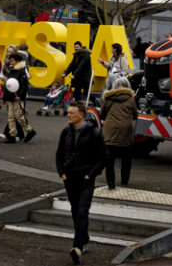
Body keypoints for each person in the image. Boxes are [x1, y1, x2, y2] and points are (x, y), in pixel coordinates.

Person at [55, 101, 107, 264]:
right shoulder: (66, 132)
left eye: (72, 113)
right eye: (68, 112)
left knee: (83, 210)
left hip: (85, 179)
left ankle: (77, 247)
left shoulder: (94, 133)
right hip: (69, 178)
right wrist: (62, 173)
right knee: (75, 210)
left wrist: (90, 174)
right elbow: (59, 153)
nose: (68, 115)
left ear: (81, 115)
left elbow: (104, 156)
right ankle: (83, 238)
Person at [101, 76, 139, 189]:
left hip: (110, 131)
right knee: (126, 158)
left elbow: (102, 115)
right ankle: (124, 181)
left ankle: (111, 184)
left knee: (110, 160)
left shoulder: (108, 99)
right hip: (126, 132)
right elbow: (135, 116)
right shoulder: (131, 99)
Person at [2, 53, 36, 144]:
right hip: (10, 97)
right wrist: (4, 96)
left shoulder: (22, 71)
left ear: (17, 61)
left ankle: (30, 130)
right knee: (10, 117)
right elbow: (8, 85)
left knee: (18, 116)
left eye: (12, 60)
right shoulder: (11, 71)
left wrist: (20, 95)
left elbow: (25, 86)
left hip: (17, 98)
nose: (10, 62)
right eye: (10, 60)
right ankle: (12, 135)